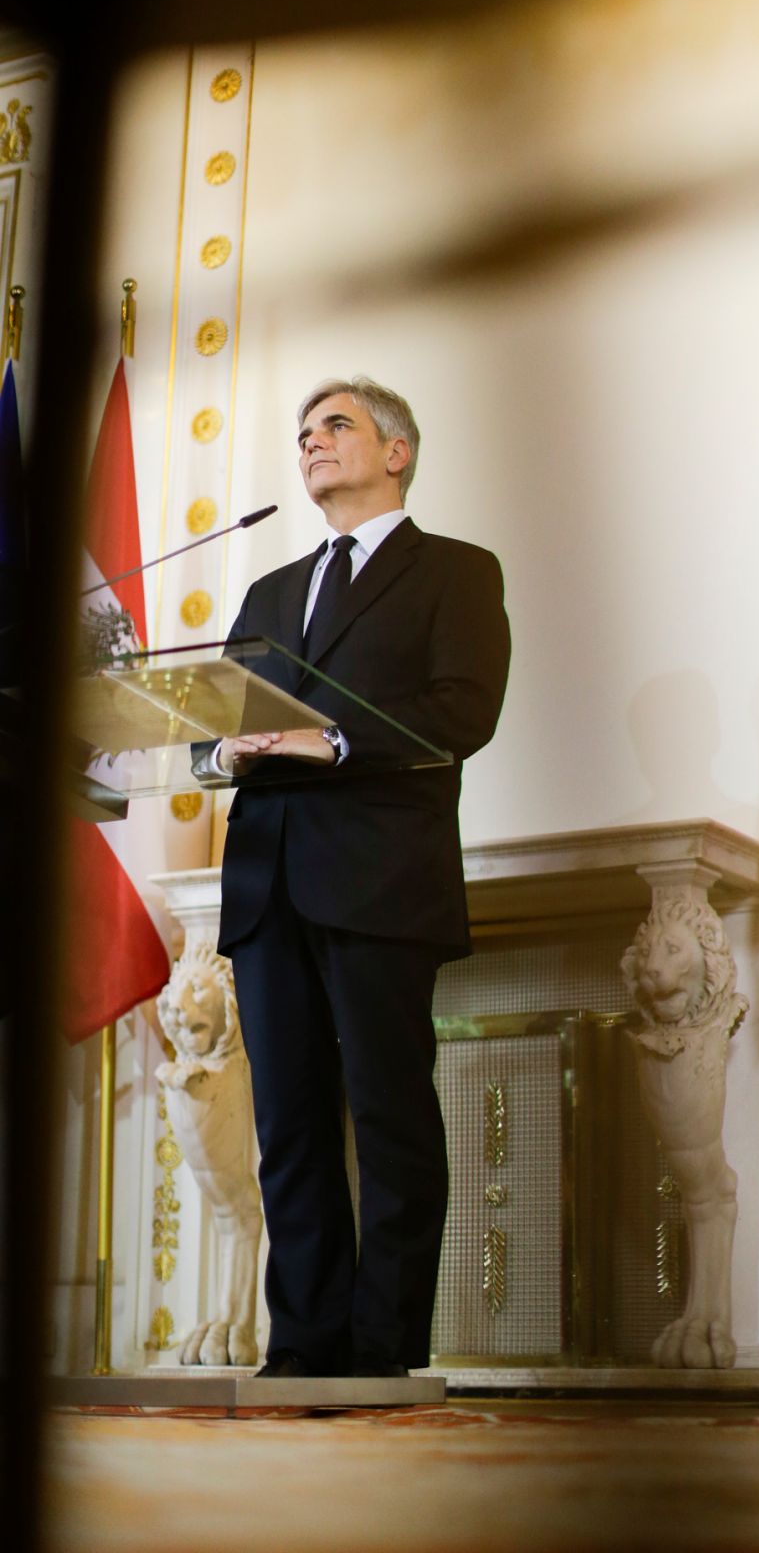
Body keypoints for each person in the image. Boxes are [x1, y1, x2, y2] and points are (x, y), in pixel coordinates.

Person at [199, 377, 509, 1378]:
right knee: (287, 1126)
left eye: (336, 425)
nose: (313, 442)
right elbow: (218, 728)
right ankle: (303, 1349)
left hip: (380, 878)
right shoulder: (269, 591)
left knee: (389, 1117)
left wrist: (324, 738)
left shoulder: (456, 571)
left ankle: (381, 1350)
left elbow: (462, 712)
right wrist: (222, 751)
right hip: (267, 881)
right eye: (302, 433)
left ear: (397, 451)